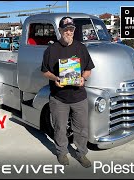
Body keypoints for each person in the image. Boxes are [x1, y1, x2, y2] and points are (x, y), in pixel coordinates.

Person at [41, 16, 95, 168]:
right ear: (60, 31)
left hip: (79, 97)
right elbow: (44, 71)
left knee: (82, 129)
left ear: (74, 31)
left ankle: (81, 154)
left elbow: (88, 69)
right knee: (59, 128)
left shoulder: (81, 48)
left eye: (71, 29)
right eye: (65, 29)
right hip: (59, 98)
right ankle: (62, 152)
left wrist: (83, 78)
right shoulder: (51, 50)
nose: (69, 32)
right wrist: (55, 78)